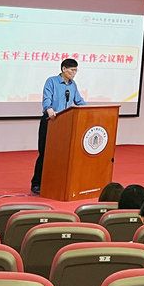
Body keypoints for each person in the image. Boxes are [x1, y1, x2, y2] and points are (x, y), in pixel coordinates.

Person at [32, 58, 87, 194]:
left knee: (63, 154)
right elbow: (47, 99)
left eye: (76, 70)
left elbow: (79, 101)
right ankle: (37, 183)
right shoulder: (51, 81)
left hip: (66, 124)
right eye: (72, 70)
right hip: (50, 121)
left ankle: (56, 182)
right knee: (45, 153)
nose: (74, 73)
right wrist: (49, 109)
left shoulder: (73, 85)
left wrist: (90, 110)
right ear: (63, 69)